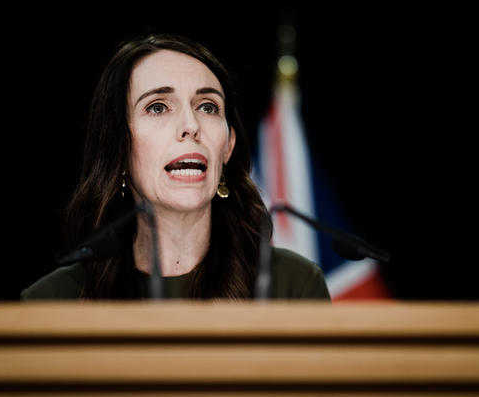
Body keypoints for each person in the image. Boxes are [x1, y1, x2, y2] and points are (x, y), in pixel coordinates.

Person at [22, 33, 330, 300]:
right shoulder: (53, 299)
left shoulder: (293, 285)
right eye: (157, 107)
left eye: (207, 107)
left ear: (228, 147)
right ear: (117, 146)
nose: (190, 125)